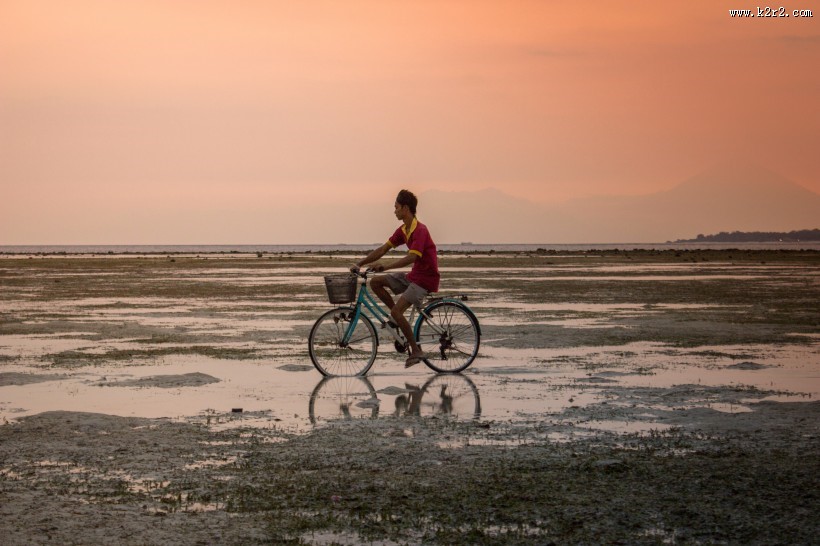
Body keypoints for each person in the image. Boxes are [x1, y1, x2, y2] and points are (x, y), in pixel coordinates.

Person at [351, 189, 439, 367]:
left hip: (425, 280)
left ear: (405, 208)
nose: (394, 211)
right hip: (413, 276)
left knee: (397, 311)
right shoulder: (404, 230)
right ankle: (396, 320)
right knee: (376, 282)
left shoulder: (420, 230)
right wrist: (360, 263)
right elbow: (383, 249)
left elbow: (411, 257)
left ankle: (416, 350)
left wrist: (386, 266)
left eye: (396, 207)